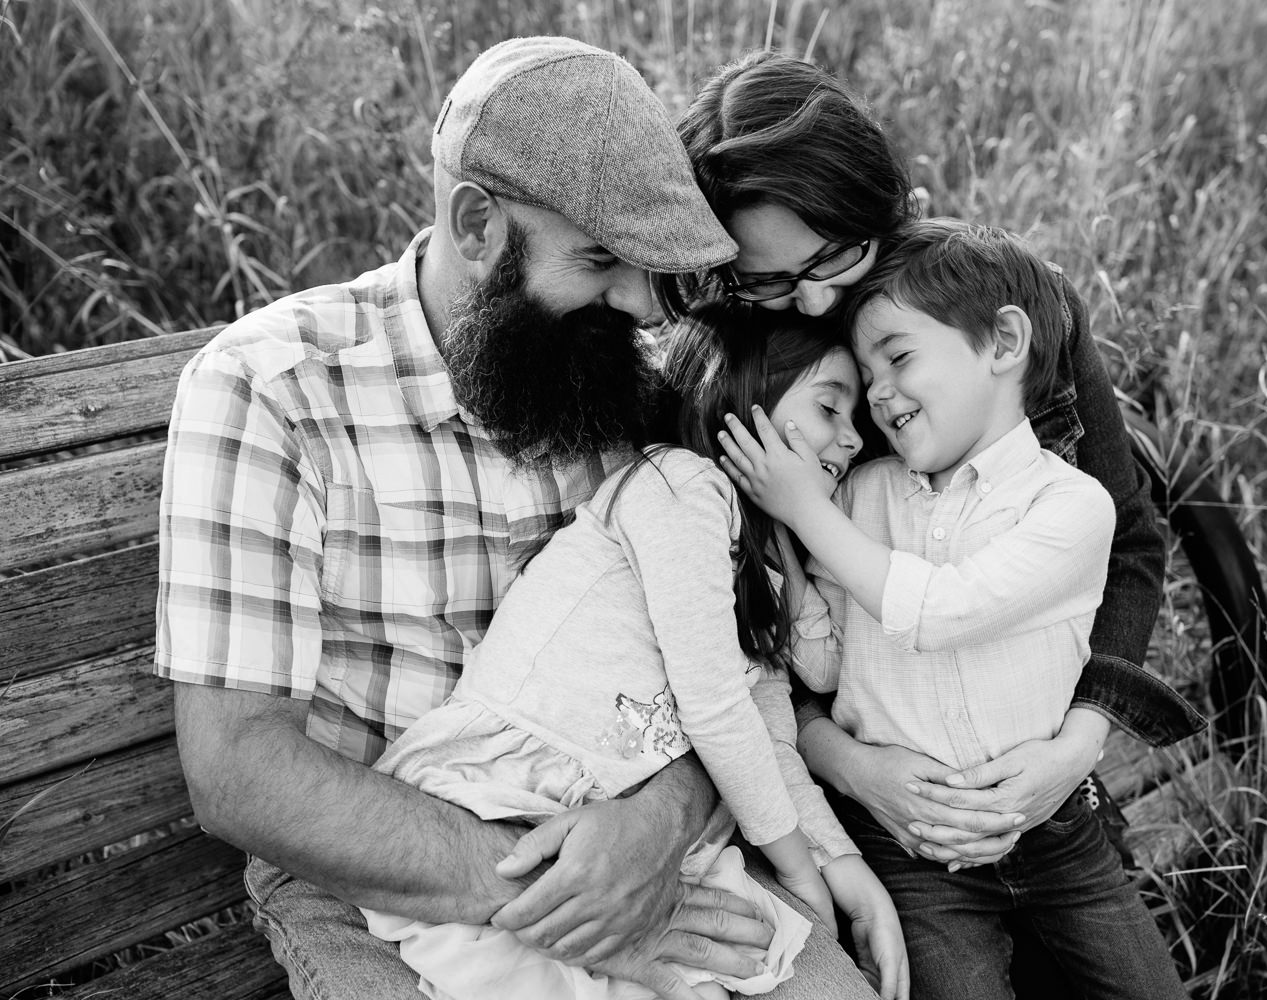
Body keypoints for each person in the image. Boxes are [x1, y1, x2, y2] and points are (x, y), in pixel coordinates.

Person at [156, 36, 883, 1000]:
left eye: (645, 264)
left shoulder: (626, 385)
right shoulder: (274, 392)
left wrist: (656, 825)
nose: (636, 299)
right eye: (599, 259)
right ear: (475, 224)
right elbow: (240, 770)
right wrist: (557, 892)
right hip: (381, 873)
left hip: (641, 822)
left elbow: (727, 659)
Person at [664, 49, 1204, 874]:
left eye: (831, 258)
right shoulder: (725, 358)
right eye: (766, 280)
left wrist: (1077, 743)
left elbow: (1126, 541)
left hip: (1032, 752)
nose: (813, 302)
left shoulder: (996, 309)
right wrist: (846, 762)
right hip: (843, 774)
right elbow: (728, 625)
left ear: (887, 209)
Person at [357, 304, 909, 1000]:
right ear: (739, 397)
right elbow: (714, 707)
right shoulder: (679, 487)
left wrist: (796, 527)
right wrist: (800, 872)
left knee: (716, 975)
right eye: (830, 407)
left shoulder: (751, 563)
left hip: (616, 819)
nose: (853, 439)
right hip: (508, 799)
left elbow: (803, 688)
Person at [719, 219, 1191, 999]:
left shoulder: (1070, 505)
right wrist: (796, 567)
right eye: (867, 373)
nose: (876, 393)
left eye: (898, 358)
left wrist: (808, 514)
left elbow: (942, 612)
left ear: (1005, 343)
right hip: (909, 846)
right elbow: (820, 666)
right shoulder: (864, 495)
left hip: (1056, 830)